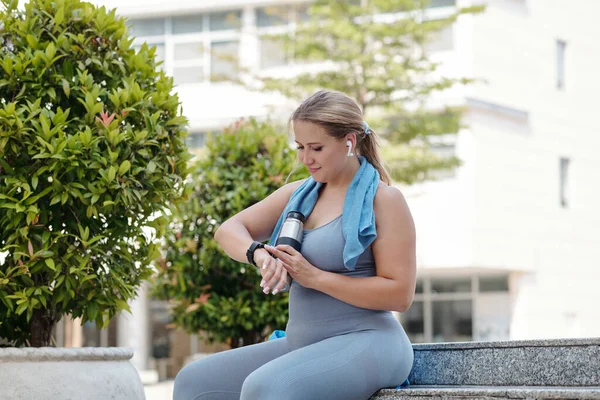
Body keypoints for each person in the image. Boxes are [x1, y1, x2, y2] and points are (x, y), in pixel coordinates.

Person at [173, 89, 416, 400]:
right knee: (193, 383)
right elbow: (228, 230)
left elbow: (400, 295)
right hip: (302, 342)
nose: (306, 159)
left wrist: (315, 277)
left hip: (370, 340)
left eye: (316, 147)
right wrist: (258, 254)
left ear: (349, 141)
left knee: (265, 388)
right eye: (300, 147)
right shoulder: (298, 194)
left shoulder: (384, 200)